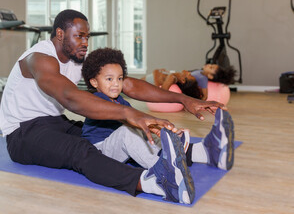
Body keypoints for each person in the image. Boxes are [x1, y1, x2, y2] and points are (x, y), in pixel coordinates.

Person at [0, 9, 228, 205]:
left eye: (87, 37)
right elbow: (70, 98)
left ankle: (201, 152)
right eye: (79, 36)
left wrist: (184, 99)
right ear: (60, 34)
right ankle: (155, 182)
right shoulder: (39, 58)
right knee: (80, 151)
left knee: (111, 135)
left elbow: (127, 84)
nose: (85, 42)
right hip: (22, 133)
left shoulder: (78, 59)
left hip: (55, 123)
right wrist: (129, 113)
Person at [80, 47, 235, 190]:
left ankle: (197, 151)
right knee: (129, 131)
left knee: (144, 131)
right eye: (109, 79)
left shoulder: (119, 100)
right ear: (94, 82)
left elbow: (137, 118)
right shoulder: (97, 99)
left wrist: (166, 132)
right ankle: (163, 170)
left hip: (117, 149)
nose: (116, 84)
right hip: (100, 153)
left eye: (119, 79)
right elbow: (127, 118)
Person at [143, 64, 236, 100]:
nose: (209, 65)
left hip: (179, 82)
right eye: (211, 65)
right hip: (177, 78)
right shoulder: (199, 71)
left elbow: (205, 95)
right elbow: (186, 73)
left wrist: (199, 103)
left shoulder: (203, 79)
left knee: (140, 82)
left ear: (210, 76)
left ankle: (160, 93)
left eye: (211, 68)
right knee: (148, 77)